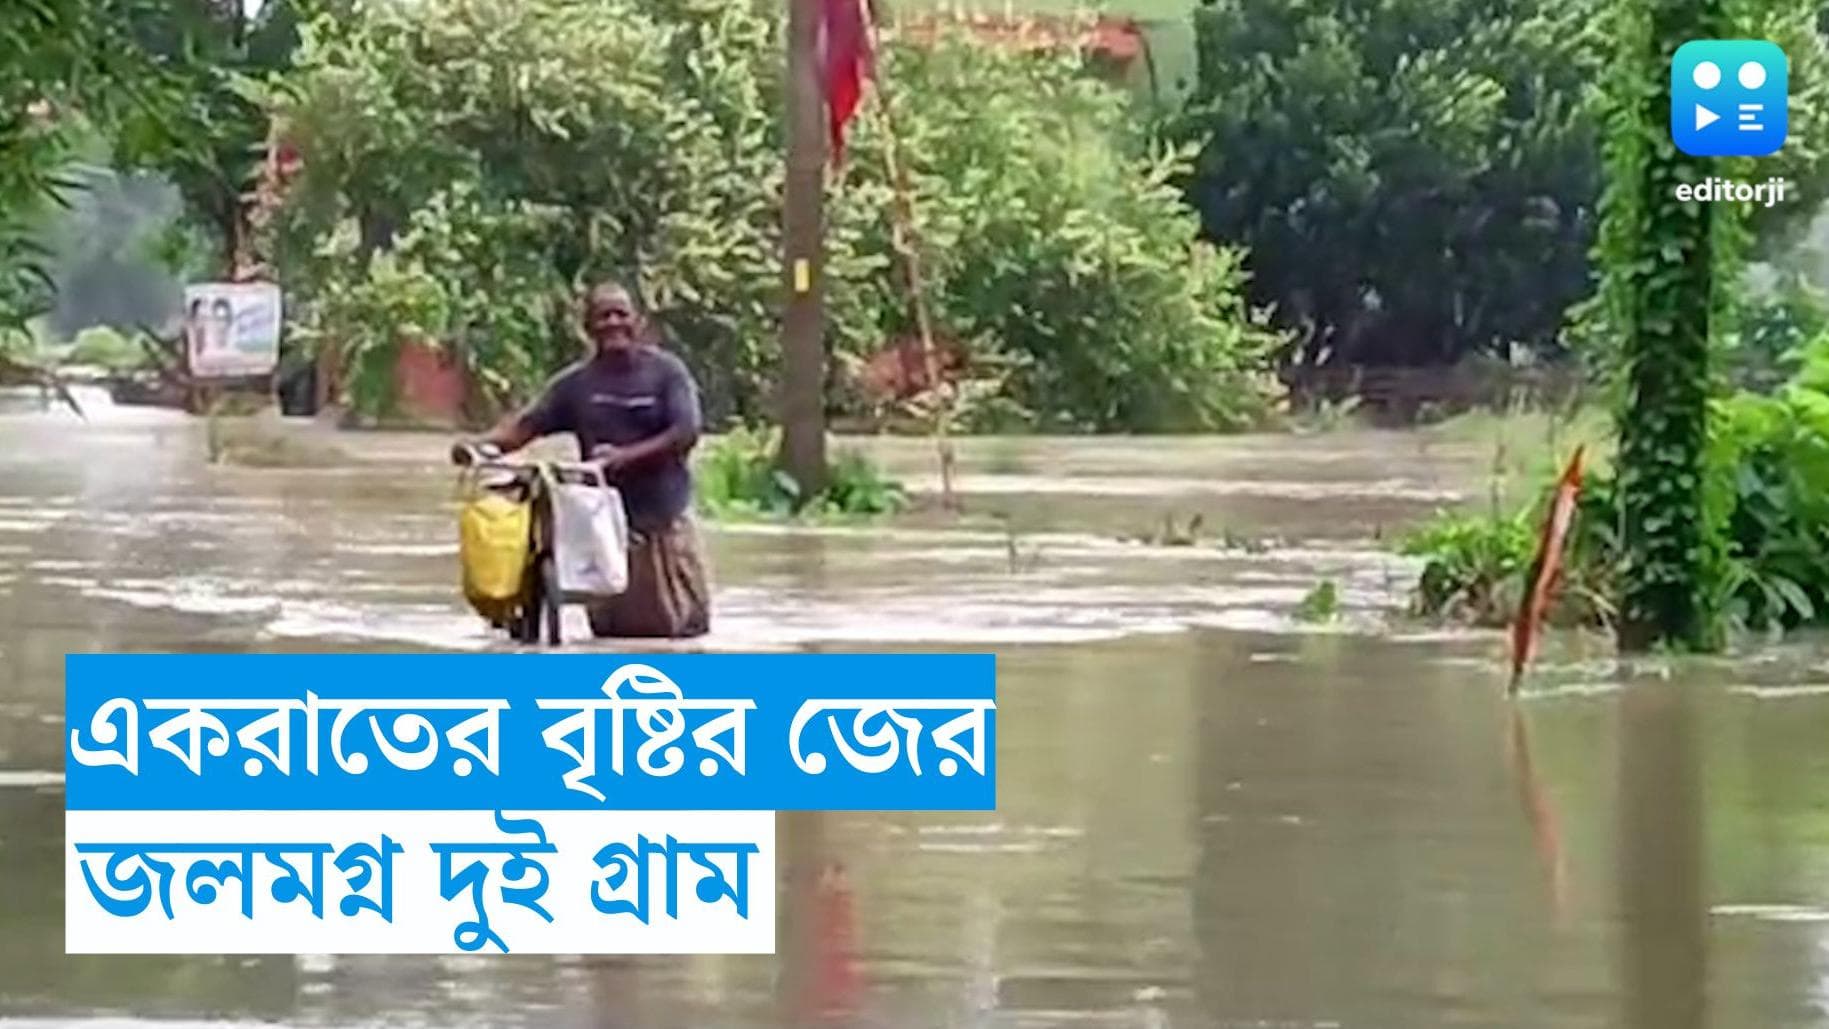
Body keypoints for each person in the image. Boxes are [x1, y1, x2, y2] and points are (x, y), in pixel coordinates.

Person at [453, 281, 711, 639]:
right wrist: (480, 447)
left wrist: (624, 457)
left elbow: (686, 431)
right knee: (612, 630)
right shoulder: (575, 385)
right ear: (587, 327)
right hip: (602, 524)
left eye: (621, 314)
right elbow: (525, 427)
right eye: (602, 316)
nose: (612, 323)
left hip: (661, 518)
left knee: (677, 629)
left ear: (638, 322)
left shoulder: (667, 373)